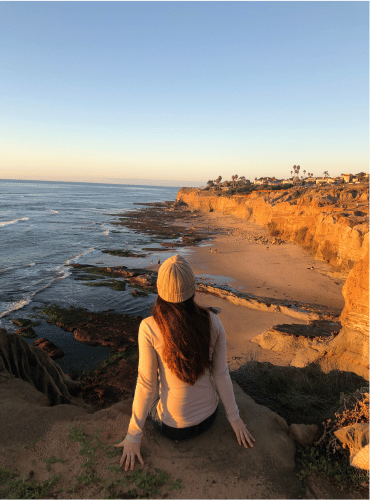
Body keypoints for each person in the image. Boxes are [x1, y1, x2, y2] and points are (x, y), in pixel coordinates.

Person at [114, 255, 255, 471]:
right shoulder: (212, 321)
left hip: (173, 429)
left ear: (159, 288)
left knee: (156, 395)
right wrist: (235, 419)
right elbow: (221, 374)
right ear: (193, 288)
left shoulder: (149, 327)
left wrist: (133, 435)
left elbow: (146, 384)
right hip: (209, 418)